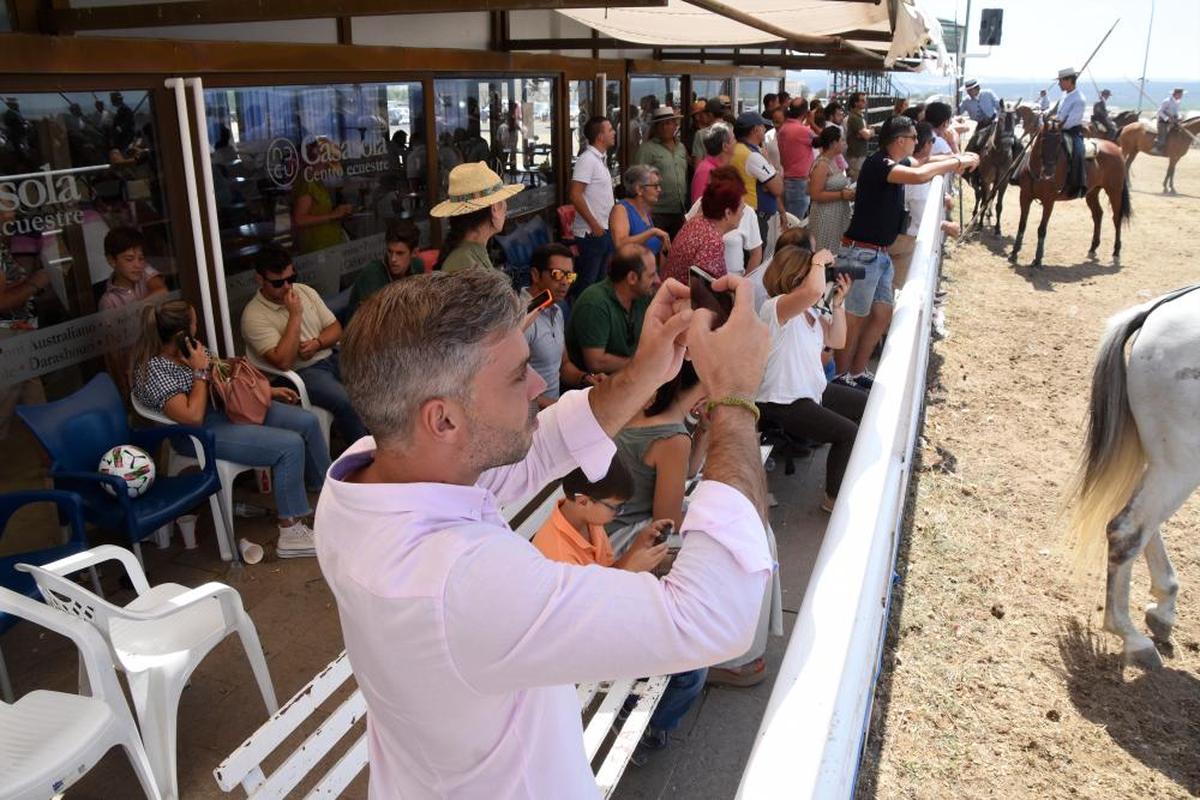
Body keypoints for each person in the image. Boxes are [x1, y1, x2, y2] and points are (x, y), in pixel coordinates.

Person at [316, 265, 773, 799]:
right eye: (517, 375)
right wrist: (735, 399)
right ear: (442, 421)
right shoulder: (462, 585)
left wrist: (646, 370)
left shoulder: (367, 473)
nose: (538, 384)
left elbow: (543, 447)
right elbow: (711, 617)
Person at [134, 300, 331, 557]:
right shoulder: (155, 371)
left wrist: (266, 391)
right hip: (198, 433)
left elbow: (226, 379)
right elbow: (191, 417)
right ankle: (290, 532)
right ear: (181, 332)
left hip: (227, 408)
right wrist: (200, 372)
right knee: (289, 446)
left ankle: (328, 496)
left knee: (306, 421)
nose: (198, 327)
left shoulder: (192, 349)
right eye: (194, 322)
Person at [833, 115, 978, 390]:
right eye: (913, 138)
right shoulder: (880, 164)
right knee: (854, 319)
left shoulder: (892, 162)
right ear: (900, 140)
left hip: (877, 254)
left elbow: (924, 164)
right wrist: (958, 162)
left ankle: (856, 371)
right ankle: (841, 378)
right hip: (861, 254)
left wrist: (954, 158)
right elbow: (920, 174)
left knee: (880, 315)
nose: (917, 142)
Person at [756, 245, 860, 512]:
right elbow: (813, 291)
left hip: (812, 391)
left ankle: (849, 478)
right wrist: (818, 259)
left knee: (868, 406)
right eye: (812, 273)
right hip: (783, 400)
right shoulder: (775, 308)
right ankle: (832, 499)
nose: (820, 278)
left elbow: (837, 340)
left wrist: (838, 303)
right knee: (847, 434)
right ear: (794, 277)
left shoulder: (810, 312)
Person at [240, 244, 369, 444]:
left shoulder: (305, 291)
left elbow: (336, 328)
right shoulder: (253, 315)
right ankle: (366, 459)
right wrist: (295, 315)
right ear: (260, 280)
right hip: (300, 373)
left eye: (291, 279)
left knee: (375, 383)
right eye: (278, 283)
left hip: (330, 355)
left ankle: (389, 448)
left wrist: (317, 343)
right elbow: (283, 361)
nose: (287, 287)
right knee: (345, 401)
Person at [605, 360, 709, 552]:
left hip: (609, 529)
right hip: (621, 537)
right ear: (707, 382)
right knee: (725, 540)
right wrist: (714, 519)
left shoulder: (642, 410)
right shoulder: (673, 437)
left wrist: (703, 429)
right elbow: (668, 522)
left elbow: (689, 471)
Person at [565, 243, 659, 376]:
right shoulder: (595, 303)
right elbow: (596, 362)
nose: (657, 280)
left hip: (627, 377)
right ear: (632, 278)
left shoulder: (642, 296)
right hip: (595, 387)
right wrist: (642, 363)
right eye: (651, 275)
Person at [97, 226, 169, 398]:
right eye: (129, 259)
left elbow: (162, 292)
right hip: (136, 370)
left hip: (162, 359)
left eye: (141, 258)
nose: (137, 265)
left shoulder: (145, 272)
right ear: (112, 261)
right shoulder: (108, 301)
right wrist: (121, 386)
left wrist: (132, 310)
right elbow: (113, 351)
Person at [889, 123, 960, 287]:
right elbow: (921, 218)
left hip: (893, 237)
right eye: (932, 141)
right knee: (900, 287)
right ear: (927, 144)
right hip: (903, 241)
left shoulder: (904, 163)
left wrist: (955, 160)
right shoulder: (915, 177)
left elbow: (927, 160)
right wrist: (945, 225)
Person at [522, 243, 590, 407]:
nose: (565, 282)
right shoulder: (521, 319)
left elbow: (563, 365)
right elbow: (510, 388)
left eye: (570, 276)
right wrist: (557, 408)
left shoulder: (557, 310)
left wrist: (586, 378)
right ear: (535, 275)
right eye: (558, 274)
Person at [431, 162, 524, 273]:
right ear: (495, 207)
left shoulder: (469, 254)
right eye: (503, 201)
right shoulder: (464, 263)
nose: (506, 208)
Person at [662, 168, 746, 283]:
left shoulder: (696, 221)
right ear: (728, 213)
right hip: (679, 298)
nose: (743, 213)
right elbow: (705, 294)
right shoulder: (712, 241)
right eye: (741, 208)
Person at [683, 165, 762, 278]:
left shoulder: (746, 211)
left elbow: (756, 252)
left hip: (733, 279)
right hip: (705, 279)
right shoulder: (703, 203)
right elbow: (686, 234)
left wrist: (745, 282)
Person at [570, 115, 618, 300]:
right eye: (610, 130)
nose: (614, 132)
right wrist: (594, 225)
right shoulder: (587, 159)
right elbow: (575, 194)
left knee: (599, 282)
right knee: (587, 285)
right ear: (600, 136)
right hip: (592, 233)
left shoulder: (599, 159)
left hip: (602, 231)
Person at [346, 219, 425, 320]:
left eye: (400, 253)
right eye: (390, 251)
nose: (393, 259)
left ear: (414, 253)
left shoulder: (418, 266)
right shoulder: (372, 273)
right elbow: (371, 321)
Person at [731, 111, 787, 244]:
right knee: (755, 259)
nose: (765, 130)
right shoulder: (753, 156)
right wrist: (770, 163)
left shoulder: (736, 149)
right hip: (754, 217)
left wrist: (782, 211)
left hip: (740, 213)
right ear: (755, 130)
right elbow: (778, 188)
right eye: (763, 127)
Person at [632, 107, 688, 239]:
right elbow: (637, 178)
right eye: (661, 124)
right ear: (656, 128)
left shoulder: (681, 147)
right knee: (659, 249)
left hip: (679, 210)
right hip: (656, 212)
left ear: (675, 126)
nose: (665, 127)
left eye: (669, 123)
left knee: (676, 250)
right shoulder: (647, 149)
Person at [291, 137, 353, 255]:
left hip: (328, 244)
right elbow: (299, 219)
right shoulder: (306, 182)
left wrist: (339, 212)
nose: (329, 160)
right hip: (317, 247)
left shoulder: (317, 180)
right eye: (327, 156)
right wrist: (332, 215)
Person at [807, 126, 855, 254]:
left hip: (835, 213)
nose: (845, 143)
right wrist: (841, 195)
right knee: (825, 252)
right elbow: (815, 194)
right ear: (834, 143)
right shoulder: (822, 165)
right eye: (842, 140)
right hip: (825, 215)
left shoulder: (832, 161)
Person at [609, 165, 671, 260]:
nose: (659, 189)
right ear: (639, 189)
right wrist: (652, 232)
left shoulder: (646, 211)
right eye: (655, 186)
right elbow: (620, 244)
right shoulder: (621, 209)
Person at [778, 98, 816, 221]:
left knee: (789, 220)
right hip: (799, 182)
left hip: (788, 179)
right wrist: (812, 123)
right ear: (805, 112)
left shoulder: (784, 128)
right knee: (795, 222)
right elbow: (825, 141)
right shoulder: (803, 131)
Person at [1052, 67, 1087, 200]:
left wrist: (1055, 124)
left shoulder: (1079, 99)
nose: (1059, 84)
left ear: (1069, 80)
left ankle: (1077, 186)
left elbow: (1070, 122)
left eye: (1060, 81)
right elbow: (1059, 114)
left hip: (1071, 132)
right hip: (1057, 129)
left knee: (1077, 153)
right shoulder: (1064, 94)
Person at [691, 122, 735, 204]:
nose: (736, 142)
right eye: (734, 139)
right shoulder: (705, 171)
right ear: (725, 146)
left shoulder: (724, 168)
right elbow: (698, 207)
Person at [690, 97, 728, 164]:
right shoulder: (732, 130)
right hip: (727, 173)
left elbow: (698, 165)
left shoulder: (700, 134)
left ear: (710, 114)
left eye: (704, 113)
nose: (701, 116)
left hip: (710, 173)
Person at [844, 92, 873, 179]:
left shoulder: (858, 117)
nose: (865, 102)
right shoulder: (855, 118)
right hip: (856, 156)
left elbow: (864, 134)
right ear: (855, 103)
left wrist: (867, 132)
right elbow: (866, 136)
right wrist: (872, 131)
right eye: (862, 100)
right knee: (856, 181)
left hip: (858, 155)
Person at [1154, 88, 1184, 155]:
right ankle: (1157, 148)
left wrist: (1179, 117)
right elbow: (1160, 111)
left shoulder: (1178, 102)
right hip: (1163, 121)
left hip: (1173, 121)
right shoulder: (1167, 101)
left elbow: (1176, 112)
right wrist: (1167, 118)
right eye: (1181, 94)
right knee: (1163, 135)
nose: (1182, 96)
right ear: (1176, 94)